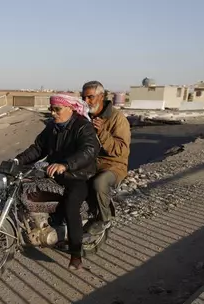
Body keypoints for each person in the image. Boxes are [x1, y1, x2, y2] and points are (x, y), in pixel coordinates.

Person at [13, 94, 100, 270]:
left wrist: (66, 165)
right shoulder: (52, 128)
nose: (53, 113)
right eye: (51, 109)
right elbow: (38, 148)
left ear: (71, 108)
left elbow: (89, 150)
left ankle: (76, 254)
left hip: (78, 176)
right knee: (29, 191)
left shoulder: (83, 127)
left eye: (57, 109)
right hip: (54, 174)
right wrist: (17, 161)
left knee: (71, 206)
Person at [81, 81, 131, 235]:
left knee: (99, 182)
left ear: (101, 96)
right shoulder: (85, 116)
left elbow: (122, 151)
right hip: (90, 163)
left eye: (90, 97)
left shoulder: (117, 119)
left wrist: (102, 133)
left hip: (113, 165)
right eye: (84, 98)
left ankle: (104, 219)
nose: (86, 101)